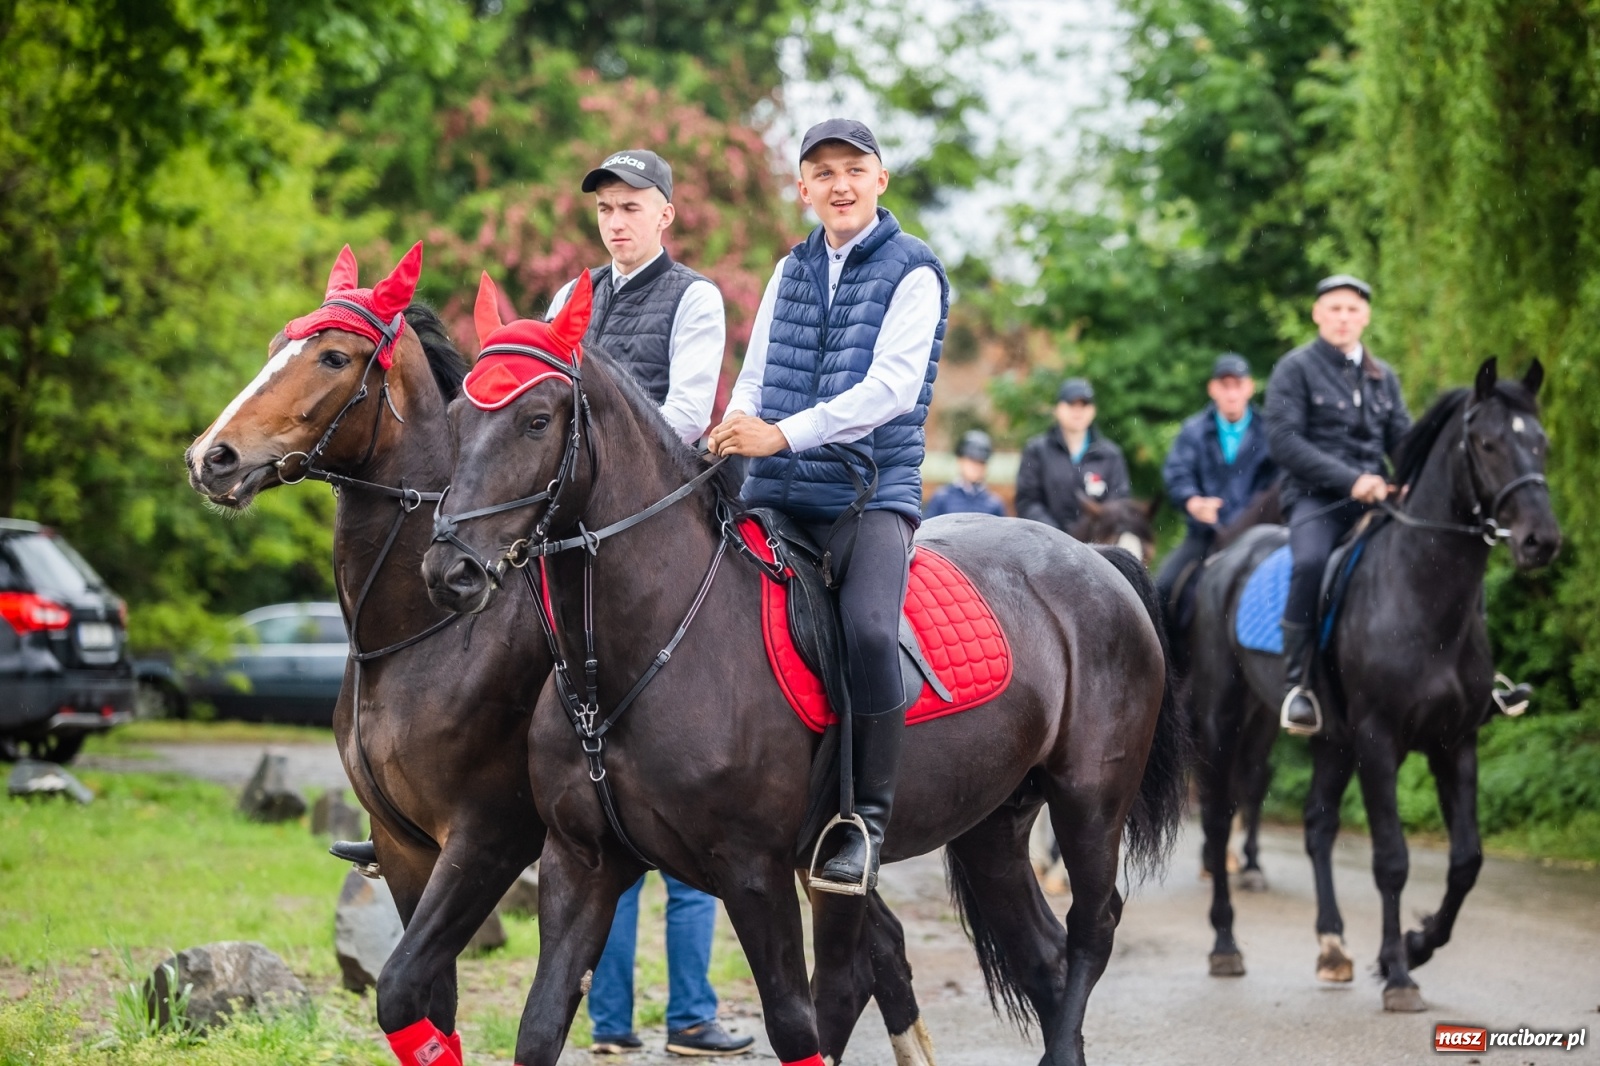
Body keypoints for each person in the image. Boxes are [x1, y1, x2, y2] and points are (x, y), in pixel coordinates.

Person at [708, 118, 948, 893]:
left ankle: (863, 822)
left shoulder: (915, 269)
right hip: (776, 492)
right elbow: (755, 374)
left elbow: (892, 390)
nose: (839, 184)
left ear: (880, 180)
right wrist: (735, 426)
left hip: (867, 495)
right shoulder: (792, 266)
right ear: (803, 188)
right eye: (823, 172)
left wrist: (783, 434)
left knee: (871, 631)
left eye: (853, 169)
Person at [550, 149, 750, 1058]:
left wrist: (593, 466)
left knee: (690, 795)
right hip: (575, 533)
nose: (616, 221)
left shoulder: (695, 298)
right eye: (605, 208)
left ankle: (692, 1015)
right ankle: (611, 1022)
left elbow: (682, 418)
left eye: (632, 206)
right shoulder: (570, 297)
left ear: (666, 214)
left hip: (667, 532)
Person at [1265, 275, 1409, 735]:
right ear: (1317, 314)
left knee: (1439, 548)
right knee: (1308, 562)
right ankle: (1298, 685)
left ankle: (1478, 675)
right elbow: (1285, 442)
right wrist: (1351, 481)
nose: (1343, 318)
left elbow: (1401, 439)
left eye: (1352, 309)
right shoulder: (1295, 369)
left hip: (1376, 499)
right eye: (1334, 309)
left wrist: (1410, 478)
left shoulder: (1384, 377)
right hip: (1316, 501)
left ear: (1365, 317)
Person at [1155, 353, 1278, 616]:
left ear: (1249, 387)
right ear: (1213, 389)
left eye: (1238, 385)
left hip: (1258, 536)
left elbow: (1279, 482)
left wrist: (1251, 515)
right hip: (1205, 535)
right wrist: (1193, 502)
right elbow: (1177, 473)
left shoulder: (1270, 431)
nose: (1231, 393)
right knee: (1161, 590)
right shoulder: (1193, 430)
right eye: (1225, 385)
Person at [1014, 377, 1131, 532]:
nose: (1078, 411)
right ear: (1057, 409)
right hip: (1047, 542)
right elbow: (1027, 502)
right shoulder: (1037, 451)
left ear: (1093, 411)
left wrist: (1092, 535)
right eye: (1071, 404)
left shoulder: (1110, 455)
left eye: (1084, 405)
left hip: (1097, 543)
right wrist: (1056, 536)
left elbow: (1120, 503)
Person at [925, 429, 1006, 518]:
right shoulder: (942, 498)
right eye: (971, 460)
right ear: (960, 460)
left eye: (980, 462)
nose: (975, 467)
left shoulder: (994, 504)